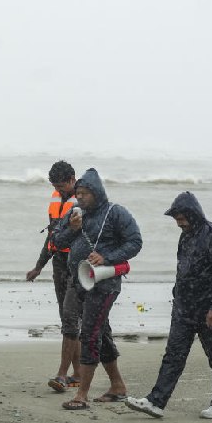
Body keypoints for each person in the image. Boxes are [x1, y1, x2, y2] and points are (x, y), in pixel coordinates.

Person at [126, 192, 212, 419]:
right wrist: (177, 296)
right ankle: (156, 402)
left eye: (182, 218)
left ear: (193, 215)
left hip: (209, 311)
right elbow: (182, 269)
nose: (179, 223)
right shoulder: (184, 236)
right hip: (184, 308)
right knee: (173, 355)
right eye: (176, 219)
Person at [52, 168, 142, 410]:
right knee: (100, 333)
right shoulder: (75, 213)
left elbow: (135, 242)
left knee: (90, 333)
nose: (79, 197)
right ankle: (118, 386)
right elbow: (56, 242)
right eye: (78, 193)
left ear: (97, 193)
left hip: (105, 284)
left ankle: (82, 394)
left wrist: (108, 257)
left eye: (84, 193)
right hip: (77, 280)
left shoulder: (116, 213)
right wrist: (71, 228)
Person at [25, 160, 82, 392]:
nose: (58, 191)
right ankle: (77, 375)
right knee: (68, 321)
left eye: (61, 187)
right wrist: (39, 266)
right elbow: (52, 237)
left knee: (70, 319)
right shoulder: (56, 199)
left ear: (72, 180)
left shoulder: (84, 201)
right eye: (55, 187)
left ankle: (61, 374)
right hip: (59, 263)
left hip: (79, 263)